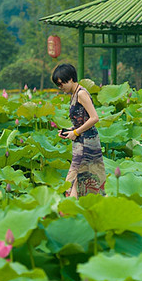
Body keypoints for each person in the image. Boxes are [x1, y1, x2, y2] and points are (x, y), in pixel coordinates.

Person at [52, 64, 106, 197]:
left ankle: (71, 210)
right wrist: (68, 131)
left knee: (72, 181)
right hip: (81, 141)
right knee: (79, 180)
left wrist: (75, 132)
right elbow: (82, 120)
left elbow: (94, 118)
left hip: (87, 143)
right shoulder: (74, 94)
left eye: (61, 84)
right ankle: (77, 210)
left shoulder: (81, 93)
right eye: (58, 85)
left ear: (70, 79)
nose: (60, 87)